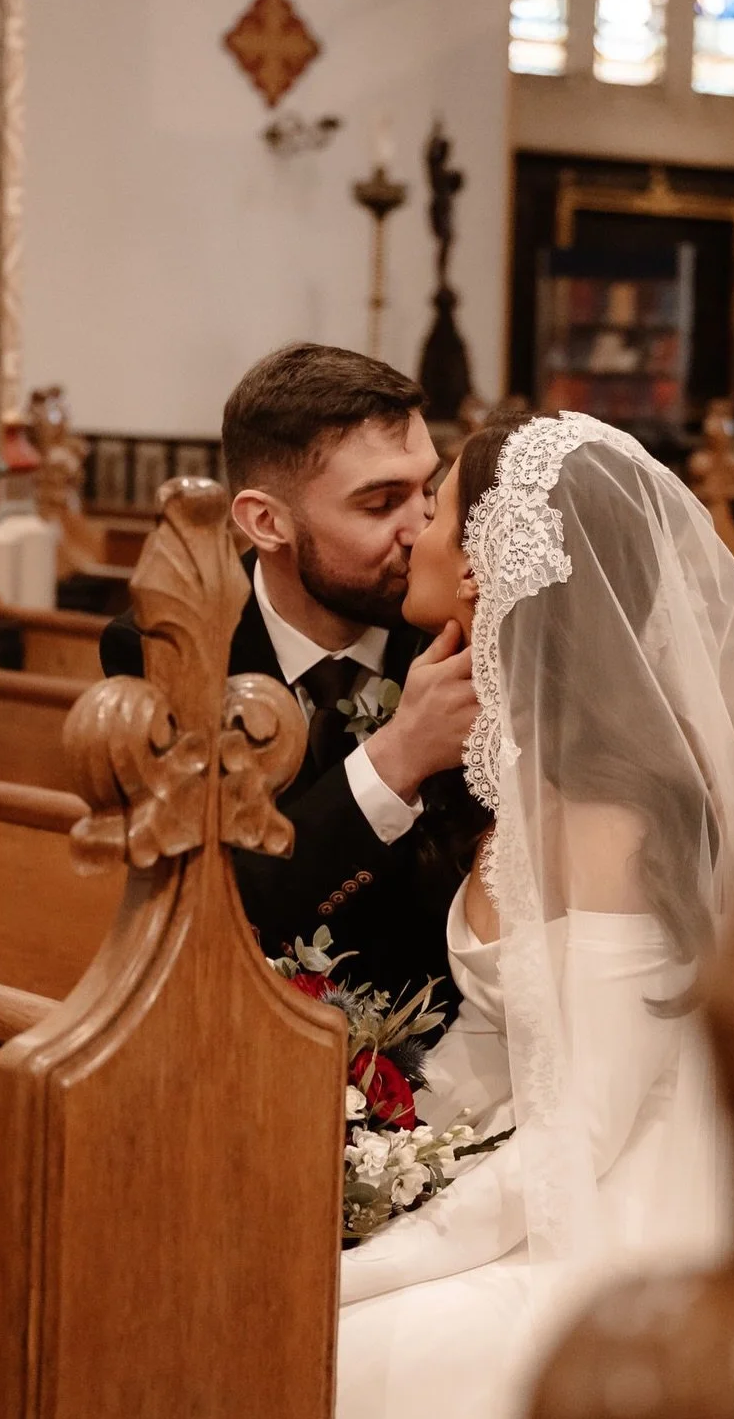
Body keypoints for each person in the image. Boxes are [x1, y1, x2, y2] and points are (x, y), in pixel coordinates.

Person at [324, 409, 734, 1419]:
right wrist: (365, 1166)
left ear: (512, 564)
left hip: (633, 1226)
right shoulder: (531, 778)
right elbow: (491, 1072)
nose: (418, 535)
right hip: (536, 1177)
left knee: (372, 1366)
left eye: (442, 514)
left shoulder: (610, 815)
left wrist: (368, 1257)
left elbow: (581, 1128)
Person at [101, 341, 480, 1002]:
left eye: (427, 489)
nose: (419, 530)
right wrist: (399, 756)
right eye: (379, 502)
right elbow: (219, 904)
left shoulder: (456, 628)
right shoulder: (173, 650)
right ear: (266, 521)